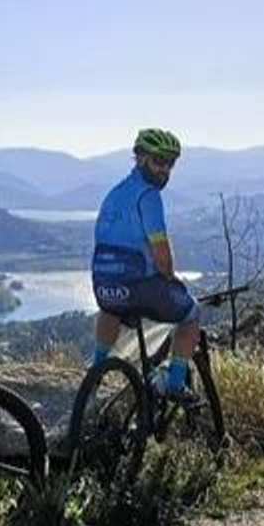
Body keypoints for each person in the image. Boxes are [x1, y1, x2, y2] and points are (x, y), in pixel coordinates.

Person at [89, 128, 200, 394]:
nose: (165, 170)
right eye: (159, 161)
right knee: (192, 314)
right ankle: (174, 384)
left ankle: (95, 372)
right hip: (140, 286)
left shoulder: (114, 194)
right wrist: (171, 278)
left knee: (110, 310)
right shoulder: (149, 195)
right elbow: (162, 256)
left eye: (170, 163)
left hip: (103, 284)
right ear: (140, 158)